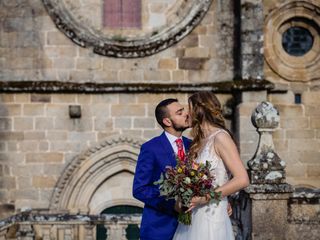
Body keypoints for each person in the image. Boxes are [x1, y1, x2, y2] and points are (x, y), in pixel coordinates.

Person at [173, 91, 250, 240]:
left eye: (188, 109)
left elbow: (242, 179)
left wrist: (206, 198)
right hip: (192, 217)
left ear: (199, 110)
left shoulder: (220, 137)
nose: (186, 114)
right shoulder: (196, 143)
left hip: (212, 216)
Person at [132, 98, 191, 240]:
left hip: (192, 229)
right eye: (179, 112)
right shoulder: (151, 148)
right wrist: (172, 203)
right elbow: (139, 189)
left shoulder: (193, 145)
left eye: (184, 110)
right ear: (167, 121)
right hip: (160, 229)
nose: (186, 114)